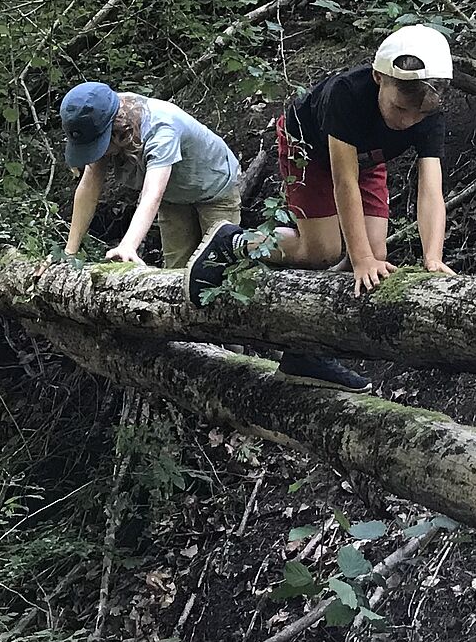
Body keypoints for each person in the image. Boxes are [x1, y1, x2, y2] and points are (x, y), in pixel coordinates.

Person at [186, 24, 455, 389]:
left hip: (366, 158)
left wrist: (433, 258)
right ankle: (231, 241)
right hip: (309, 148)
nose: (406, 122)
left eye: (417, 116)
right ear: (379, 78)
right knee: (323, 251)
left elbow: (431, 190)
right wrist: (358, 260)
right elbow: (343, 184)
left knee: (378, 256)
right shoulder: (346, 94)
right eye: (399, 109)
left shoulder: (429, 108)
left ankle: (306, 352)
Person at [59, 82, 242, 268]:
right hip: (173, 197)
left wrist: (128, 247)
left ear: (115, 132)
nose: (96, 155)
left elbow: (151, 195)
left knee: (220, 265)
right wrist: (69, 253)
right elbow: (90, 184)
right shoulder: (95, 116)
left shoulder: (161, 129)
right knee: (176, 269)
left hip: (214, 189)